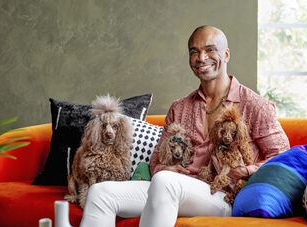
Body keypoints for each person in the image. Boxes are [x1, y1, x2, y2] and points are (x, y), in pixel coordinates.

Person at [80, 25, 290, 227]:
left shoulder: (255, 105)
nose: (201, 58)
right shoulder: (179, 107)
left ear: (225, 55)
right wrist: (166, 168)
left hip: (221, 195)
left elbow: (282, 158)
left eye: (210, 50)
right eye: (194, 52)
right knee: (100, 193)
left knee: (164, 182)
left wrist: (245, 170)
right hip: (171, 187)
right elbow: (156, 163)